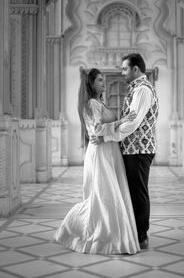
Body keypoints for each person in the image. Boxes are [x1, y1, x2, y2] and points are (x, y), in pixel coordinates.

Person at [54, 68, 140, 254]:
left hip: (108, 151)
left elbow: (101, 130)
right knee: (104, 196)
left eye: (103, 79)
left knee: (107, 195)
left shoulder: (99, 103)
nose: (103, 82)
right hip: (101, 153)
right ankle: (82, 230)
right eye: (99, 80)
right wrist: (120, 121)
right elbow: (97, 130)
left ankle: (113, 237)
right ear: (91, 84)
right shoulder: (92, 103)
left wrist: (119, 124)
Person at [91, 53, 158, 249]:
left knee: (138, 193)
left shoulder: (143, 90)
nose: (122, 73)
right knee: (133, 191)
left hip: (139, 148)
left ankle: (141, 236)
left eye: (124, 69)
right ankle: (134, 232)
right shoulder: (136, 89)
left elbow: (132, 123)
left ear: (135, 69)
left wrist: (107, 137)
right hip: (132, 149)